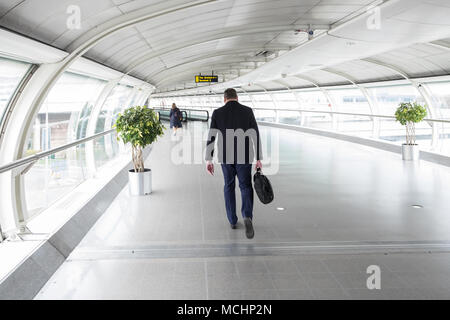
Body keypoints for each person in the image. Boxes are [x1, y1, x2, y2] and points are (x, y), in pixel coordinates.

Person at [205, 88, 262, 239]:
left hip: (226, 156)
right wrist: (259, 158)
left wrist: (208, 159)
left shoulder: (218, 113)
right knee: (245, 186)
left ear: (224, 99)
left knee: (228, 186)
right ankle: (247, 215)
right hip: (245, 155)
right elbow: (255, 134)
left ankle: (232, 219)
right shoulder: (247, 111)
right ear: (237, 97)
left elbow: (211, 136)